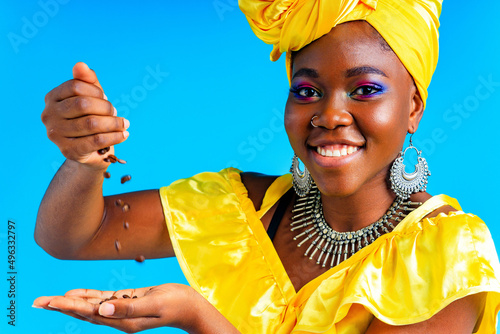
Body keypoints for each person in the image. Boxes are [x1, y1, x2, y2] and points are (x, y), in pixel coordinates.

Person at [33, 0, 500, 333]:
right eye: (306, 91)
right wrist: (85, 158)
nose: (330, 115)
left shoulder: (445, 255)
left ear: (414, 108)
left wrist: (198, 316)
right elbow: (71, 235)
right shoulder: (243, 209)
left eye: (365, 90)